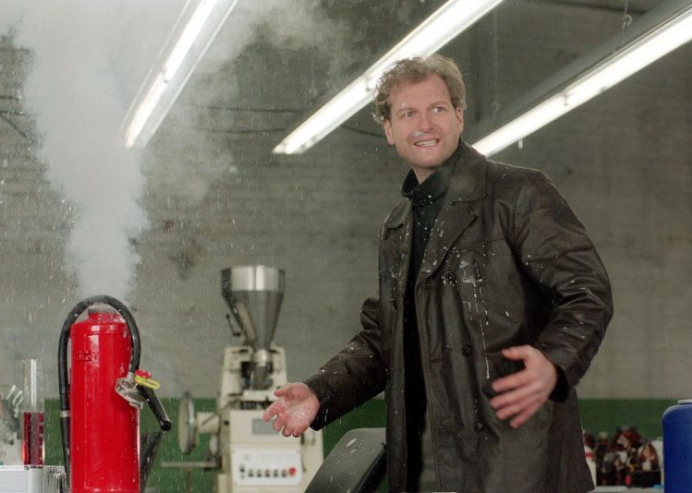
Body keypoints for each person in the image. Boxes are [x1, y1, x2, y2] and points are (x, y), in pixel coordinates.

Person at [263, 55, 613, 493]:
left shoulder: (517, 194)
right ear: (389, 130)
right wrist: (321, 392)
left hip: (517, 465)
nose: (424, 124)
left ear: (459, 116)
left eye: (437, 109)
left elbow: (587, 290)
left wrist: (554, 361)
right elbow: (384, 339)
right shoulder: (397, 226)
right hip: (424, 470)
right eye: (408, 113)